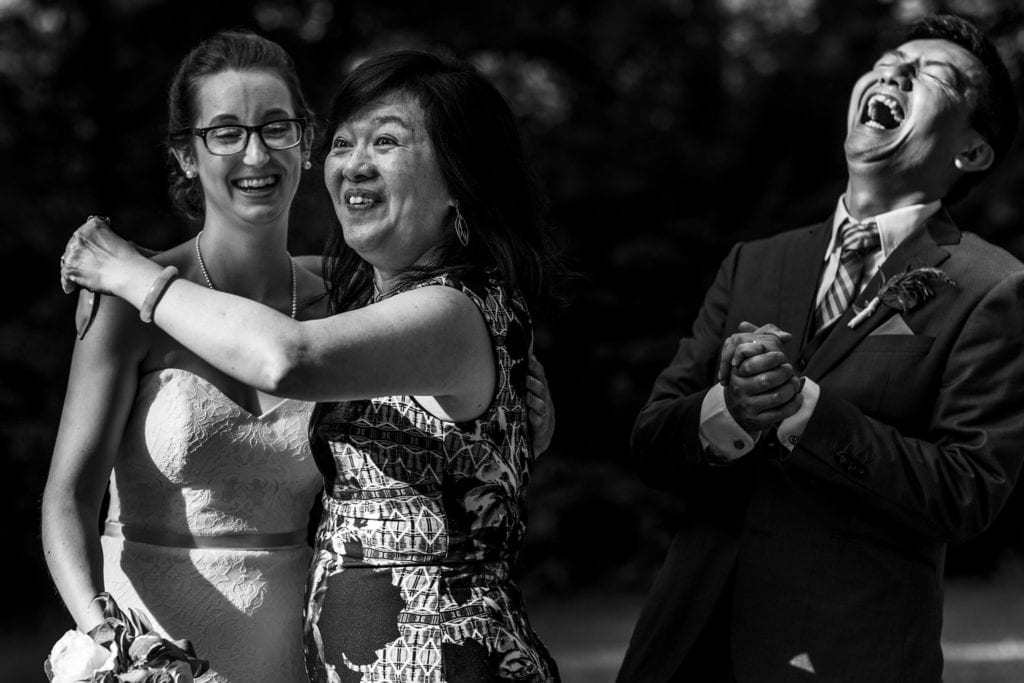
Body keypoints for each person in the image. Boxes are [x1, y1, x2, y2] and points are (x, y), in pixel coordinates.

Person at [44, 34, 554, 683]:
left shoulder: (386, 303)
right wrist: (106, 638)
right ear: (186, 152)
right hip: (165, 646)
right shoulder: (359, 297)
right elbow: (66, 495)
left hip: (382, 658)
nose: (255, 152)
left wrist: (130, 271)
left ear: (302, 140)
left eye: (276, 127)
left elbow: (297, 360)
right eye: (226, 131)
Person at [617, 14, 1024, 683]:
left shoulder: (991, 286)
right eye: (891, 58)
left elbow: (967, 492)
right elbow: (652, 442)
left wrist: (804, 408)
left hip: (846, 655)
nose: (895, 71)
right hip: (684, 647)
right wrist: (730, 413)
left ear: (972, 152)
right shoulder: (755, 262)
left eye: (933, 73)